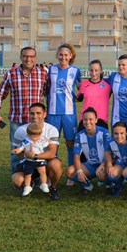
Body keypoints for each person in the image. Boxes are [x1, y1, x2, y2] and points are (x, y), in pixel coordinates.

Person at [0, 46, 48, 173]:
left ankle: (38, 178)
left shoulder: (43, 74)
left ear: (35, 58)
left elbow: (49, 94)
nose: (28, 59)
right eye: (25, 56)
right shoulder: (11, 74)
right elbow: (0, 94)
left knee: (39, 149)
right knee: (16, 150)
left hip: (37, 121)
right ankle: (17, 177)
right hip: (17, 120)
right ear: (21, 57)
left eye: (31, 56)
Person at [10, 103, 63, 200]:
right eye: (32, 113)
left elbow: (52, 153)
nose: (35, 116)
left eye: (38, 113)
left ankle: (53, 188)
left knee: (56, 165)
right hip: (28, 163)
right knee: (17, 181)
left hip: (45, 162)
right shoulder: (21, 130)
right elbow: (18, 151)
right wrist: (26, 160)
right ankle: (30, 183)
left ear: (45, 114)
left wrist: (35, 156)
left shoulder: (52, 130)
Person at [45, 43, 82, 178]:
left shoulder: (75, 71)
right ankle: (51, 174)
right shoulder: (51, 70)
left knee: (70, 143)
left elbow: (81, 90)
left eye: (66, 55)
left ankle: (71, 174)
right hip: (52, 113)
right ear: (57, 55)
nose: (63, 57)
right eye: (61, 55)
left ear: (71, 56)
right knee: (52, 144)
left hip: (69, 114)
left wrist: (80, 97)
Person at [66, 108, 111, 196]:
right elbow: (76, 156)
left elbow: (109, 152)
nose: (87, 122)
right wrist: (79, 171)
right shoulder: (79, 135)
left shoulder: (104, 133)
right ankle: (87, 185)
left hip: (103, 164)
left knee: (102, 174)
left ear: (96, 120)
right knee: (70, 172)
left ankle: (110, 185)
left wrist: (103, 164)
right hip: (90, 165)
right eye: (85, 119)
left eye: (91, 119)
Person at [11, 123, 50, 198]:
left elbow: (46, 144)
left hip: (39, 160)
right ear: (28, 135)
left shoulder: (42, 140)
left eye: (37, 136)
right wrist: (17, 150)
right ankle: (27, 187)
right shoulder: (26, 141)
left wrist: (48, 141)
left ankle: (44, 184)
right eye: (33, 136)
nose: (35, 138)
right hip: (29, 161)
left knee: (42, 172)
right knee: (28, 175)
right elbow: (21, 147)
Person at [104, 122, 127, 198]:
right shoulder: (110, 143)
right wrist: (109, 165)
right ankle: (119, 186)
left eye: (121, 133)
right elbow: (107, 153)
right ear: (113, 134)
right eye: (116, 134)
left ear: (126, 132)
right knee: (111, 173)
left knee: (126, 173)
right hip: (121, 163)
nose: (119, 136)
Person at [76, 59, 111, 131]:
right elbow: (79, 98)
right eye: (91, 70)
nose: (94, 73)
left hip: (101, 121)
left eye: (96, 70)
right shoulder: (84, 84)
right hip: (86, 120)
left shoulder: (108, 85)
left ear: (101, 71)